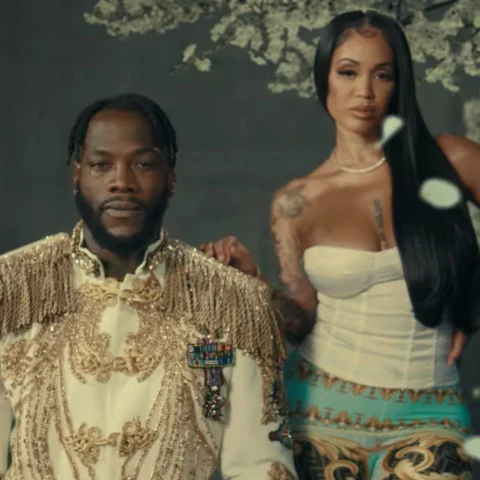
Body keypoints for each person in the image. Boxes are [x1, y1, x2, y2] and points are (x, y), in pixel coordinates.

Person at [200, 10, 480, 479]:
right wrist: (252, 283)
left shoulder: (450, 159)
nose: (364, 92)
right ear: (324, 79)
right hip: (319, 411)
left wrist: (472, 305)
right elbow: (301, 320)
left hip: (429, 411)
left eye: (382, 75)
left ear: (400, 83)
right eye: (348, 72)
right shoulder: (295, 202)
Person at [0, 93, 298, 479]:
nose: (122, 182)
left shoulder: (233, 303)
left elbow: (262, 466)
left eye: (143, 164)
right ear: (77, 174)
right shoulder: (13, 288)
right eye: (101, 165)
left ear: (171, 177)